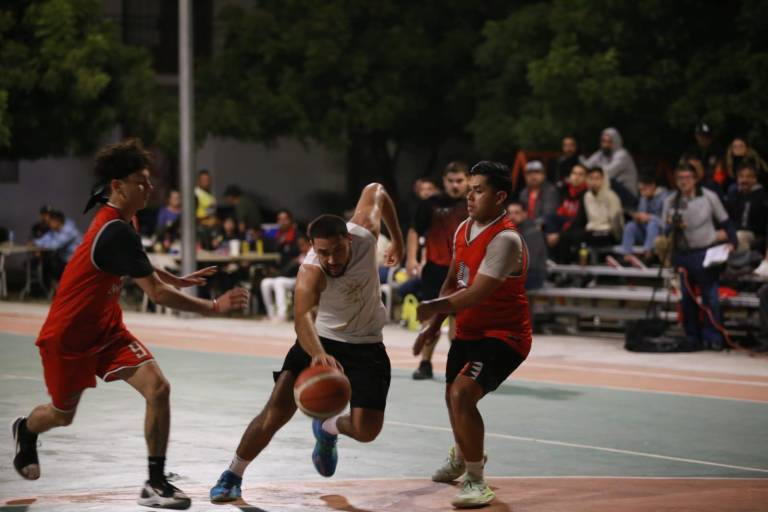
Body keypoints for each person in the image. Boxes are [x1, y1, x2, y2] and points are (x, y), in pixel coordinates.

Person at [11, 139, 250, 510]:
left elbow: (141, 266)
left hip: (106, 330)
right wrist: (213, 306)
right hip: (69, 337)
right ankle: (25, 431)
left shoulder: (125, 221)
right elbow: (155, 294)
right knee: (62, 414)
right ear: (117, 186)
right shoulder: (113, 229)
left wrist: (177, 279)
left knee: (158, 389)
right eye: (141, 181)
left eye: (149, 181)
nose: (150, 187)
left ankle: (154, 483)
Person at [209, 183, 404, 503]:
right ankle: (232, 474)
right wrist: (319, 354)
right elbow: (302, 320)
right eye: (322, 251)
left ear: (349, 239)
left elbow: (376, 190)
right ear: (312, 246)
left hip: (367, 344)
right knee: (275, 411)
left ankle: (327, 429)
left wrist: (396, 239)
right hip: (319, 339)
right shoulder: (311, 271)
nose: (330, 258)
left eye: (336, 250)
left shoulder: (366, 233)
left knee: (367, 431)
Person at [413, 161, 531, 509]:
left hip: (505, 334)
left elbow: (477, 293)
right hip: (468, 330)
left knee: (463, 394)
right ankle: (464, 454)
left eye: (478, 189)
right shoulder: (464, 227)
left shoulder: (506, 239)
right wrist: (432, 329)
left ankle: (477, 481)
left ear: (499, 197)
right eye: (470, 188)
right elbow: (454, 281)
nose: (470, 195)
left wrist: (432, 307)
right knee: (452, 395)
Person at [662, 163, 737, 350]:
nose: (683, 182)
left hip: (705, 252)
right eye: (680, 178)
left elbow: (725, 220)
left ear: (695, 179)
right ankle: (692, 337)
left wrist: (733, 242)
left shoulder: (709, 197)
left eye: (687, 177)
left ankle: (714, 337)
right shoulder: (671, 201)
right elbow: (665, 230)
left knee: (710, 297)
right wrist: (674, 226)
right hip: (683, 253)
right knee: (687, 299)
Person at [407, 161, 470, 380]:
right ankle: (425, 363)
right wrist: (411, 258)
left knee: (458, 319)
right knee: (432, 318)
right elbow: (415, 230)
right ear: (444, 181)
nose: (455, 185)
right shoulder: (431, 204)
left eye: (460, 180)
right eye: (451, 181)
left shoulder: (475, 203)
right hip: (435, 268)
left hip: (464, 269)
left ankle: (456, 367)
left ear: (468, 181)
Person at [616, 175, 668, 265]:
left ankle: (648, 256)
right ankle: (626, 256)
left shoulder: (666, 198)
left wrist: (649, 217)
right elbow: (642, 214)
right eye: (640, 190)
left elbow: (666, 222)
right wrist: (638, 217)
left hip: (660, 234)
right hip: (645, 232)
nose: (642, 193)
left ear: (652, 186)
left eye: (644, 189)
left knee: (652, 225)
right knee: (630, 226)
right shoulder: (643, 198)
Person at [260, 235, 311, 321]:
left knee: (279, 282)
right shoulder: (299, 255)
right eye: (300, 246)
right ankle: (271, 314)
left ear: (309, 244)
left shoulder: (312, 254)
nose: (301, 248)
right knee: (265, 283)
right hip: (292, 278)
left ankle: (282, 315)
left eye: (303, 245)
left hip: (303, 280)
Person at [584, 127, 638, 207]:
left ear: (615, 142)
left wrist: (588, 177)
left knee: (602, 179)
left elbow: (606, 173)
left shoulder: (622, 155)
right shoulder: (602, 153)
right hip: (612, 192)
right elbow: (586, 166)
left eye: (608, 142)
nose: (605, 144)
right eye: (603, 141)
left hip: (628, 195)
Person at [724, 163, 767, 252]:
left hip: (755, 233)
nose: (744, 180)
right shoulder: (733, 195)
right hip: (735, 229)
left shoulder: (762, 196)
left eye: (748, 177)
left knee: (739, 236)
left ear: (754, 179)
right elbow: (727, 217)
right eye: (741, 177)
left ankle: (737, 264)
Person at [507, 201, 547, 290]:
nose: (512, 216)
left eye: (517, 213)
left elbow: (529, 262)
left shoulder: (533, 232)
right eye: (510, 213)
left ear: (524, 214)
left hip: (533, 275)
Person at [33, 210, 83, 282]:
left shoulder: (69, 231)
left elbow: (55, 246)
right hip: (65, 260)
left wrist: (40, 247)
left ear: (57, 221)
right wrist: (35, 242)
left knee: (49, 267)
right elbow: (45, 239)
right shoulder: (56, 230)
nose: (48, 224)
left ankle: (58, 289)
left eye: (50, 222)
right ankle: (56, 289)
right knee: (46, 265)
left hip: (77, 261)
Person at [582, 167, 624, 249]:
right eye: (591, 178)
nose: (594, 182)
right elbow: (590, 219)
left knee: (598, 238)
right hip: (593, 230)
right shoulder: (587, 196)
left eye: (597, 178)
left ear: (603, 179)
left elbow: (616, 223)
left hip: (610, 232)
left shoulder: (611, 196)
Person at [518, 160, 559, 226]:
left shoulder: (550, 191)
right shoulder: (523, 192)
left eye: (537, 172)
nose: (533, 176)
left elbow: (548, 215)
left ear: (544, 175)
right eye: (529, 173)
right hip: (525, 227)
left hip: (544, 228)